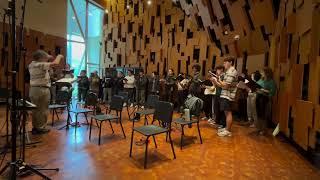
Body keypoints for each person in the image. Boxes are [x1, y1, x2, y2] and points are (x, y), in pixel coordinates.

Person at [28, 50, 64, 134]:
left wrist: (48, 56)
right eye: (45, 58)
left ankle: (36, 127)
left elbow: (45, 59)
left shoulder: (32, 64)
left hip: (34, 89)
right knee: (43, 109)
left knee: (35, 110)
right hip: (41, 90)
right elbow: (55, 63)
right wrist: (59, 56)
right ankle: (40, 128)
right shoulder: (40, 64)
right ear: (40, 58)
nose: (46, 60)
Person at [211, 56, 238, 137]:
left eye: (226, 62)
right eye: (224, 62)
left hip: (228, 95)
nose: (224, 64)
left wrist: (217, 80)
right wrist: (215, 81)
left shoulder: (232, 71)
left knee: (228, 112)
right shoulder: (228, 71)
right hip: (224, 94)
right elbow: (221, 86)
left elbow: (226, 86)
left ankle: (228, 131)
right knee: (226, 113)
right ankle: (226, 128)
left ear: (231, 63)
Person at [255, 67, 276, 135]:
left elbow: (272, 92)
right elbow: (256, 85)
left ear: (267, 73)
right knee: (259, 113)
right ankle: (260, 128)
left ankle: (264, 129)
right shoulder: (261, 80)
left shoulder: (271, 81)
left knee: (263, 114)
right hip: (258, 97)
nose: (261, 74)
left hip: (265, 99)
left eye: (262, 72)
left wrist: (263, 90)